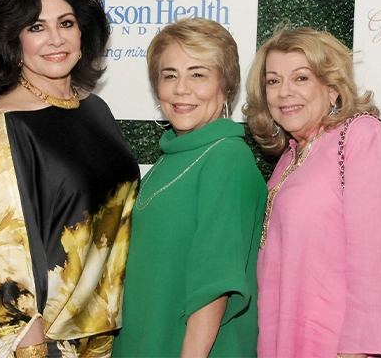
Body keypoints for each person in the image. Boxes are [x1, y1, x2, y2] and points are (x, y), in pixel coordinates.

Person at [0, 0, 139, 358]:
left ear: (82, 32)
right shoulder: (9, 120)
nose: (55, 39)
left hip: (104, 331)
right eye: (37, 27)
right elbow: (5, 253)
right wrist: (34, 348)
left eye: (66, 23)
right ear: (14, 40)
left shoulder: (97, 109)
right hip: (49, 341)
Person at [243, 25, 381, 358]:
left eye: (301, 78)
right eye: (273, 81)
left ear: (332, 88)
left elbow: (377, 260)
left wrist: (357, 351)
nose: (284, 92)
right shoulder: (290, 157)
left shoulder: (361, 136)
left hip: (338, 347)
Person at [112, 18, 267, 358]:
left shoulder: (226, 158)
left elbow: (215, 284)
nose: (182, 89)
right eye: (170, 75)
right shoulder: (172, 156)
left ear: (225, 86)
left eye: (198, 74)